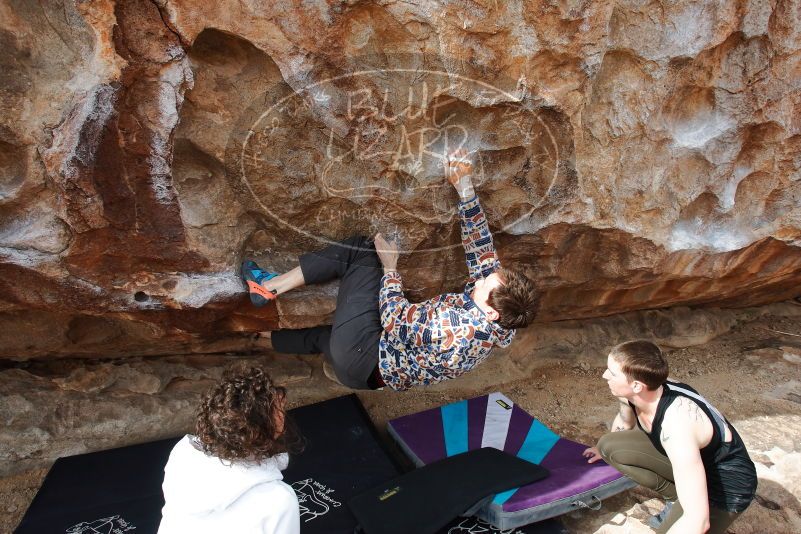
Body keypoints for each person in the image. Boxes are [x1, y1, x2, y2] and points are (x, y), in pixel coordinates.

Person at [241, 151, 539, 391]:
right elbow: (482, 252)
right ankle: (258, 337)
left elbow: (394, 319)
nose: (483, 277)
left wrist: (390, 267)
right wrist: (465, 190)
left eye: (485, 284)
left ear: (490, 312)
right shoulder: (501, 326)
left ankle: (269, 286)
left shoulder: (452, 327)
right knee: (324, 338)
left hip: (365, 353)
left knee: (361, 251)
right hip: (364, 378)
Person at [583, 340, 757, 534]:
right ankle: (676, 497)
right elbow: (625, 423)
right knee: (609, 446)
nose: (604, 375)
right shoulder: (638, 391)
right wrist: (601, 450)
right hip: (692, 464)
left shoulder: (677, 426)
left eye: (612, 373)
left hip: (723, 488)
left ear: (636, 385)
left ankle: (687, 500)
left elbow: (698, 522)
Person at [158, 366, 301, 534]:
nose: (283, 412)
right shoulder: (278, 501)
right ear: (257, 430)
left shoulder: (182, 454)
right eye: (277, 410)